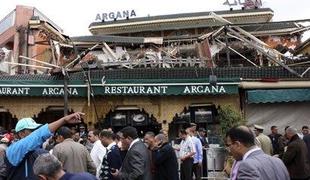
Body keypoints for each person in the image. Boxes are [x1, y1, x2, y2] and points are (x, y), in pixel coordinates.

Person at [5, 112, 84, 180]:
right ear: (21, 134)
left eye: (37, 129)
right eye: (32, 130)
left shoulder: (40, 152)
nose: (35, 132)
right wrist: (63, 120)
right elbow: (38, 136)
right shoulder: (13, 150)